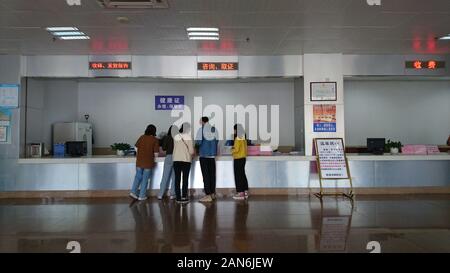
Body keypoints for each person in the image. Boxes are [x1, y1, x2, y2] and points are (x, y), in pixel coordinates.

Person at [130, 124, 159, 201]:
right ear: (154, 131)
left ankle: (133, 191)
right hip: (148, 162)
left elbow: (136, 147)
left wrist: (140, 153)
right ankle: (141, 195)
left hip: (139, 161)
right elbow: (156, 154)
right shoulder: (155, 140)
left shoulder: (141, 137)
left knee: (138, 177)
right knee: (145, 179)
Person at [196, 116, 219, 203]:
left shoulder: (201, 130)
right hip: (212, 156)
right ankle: (213, 194)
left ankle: (208, 195)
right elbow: (217, 141)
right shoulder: (214, 129)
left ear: (202, 121)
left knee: (205, 175)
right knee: (212, 175)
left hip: (204, 155)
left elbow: (198, 142)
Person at [173, 123, 194, 204]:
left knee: (177, 179)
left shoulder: (176, 136)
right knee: (185, 179)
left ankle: (178, 197)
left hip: (176, 160)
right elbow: (191, 151)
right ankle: (184, 196)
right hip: (186, 160)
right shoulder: (189, 137)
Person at [158, 125, 176, 200]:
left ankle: (160, 194)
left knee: (165, 176)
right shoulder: (178, 138)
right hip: (176, 157)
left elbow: (164, 148)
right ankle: (172, 194)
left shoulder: (166, 137)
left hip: (168, 157)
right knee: (174, 177)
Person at [231, 124, 249, 200]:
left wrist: (231, 149)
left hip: (238, 158)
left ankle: (240, 193)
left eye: (234, 129)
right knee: (242, 175)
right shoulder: (243, 137)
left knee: (238, 176)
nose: (234, 131)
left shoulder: (238, 138)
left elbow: (236, 149)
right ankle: (245, 191)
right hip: (243, 158)